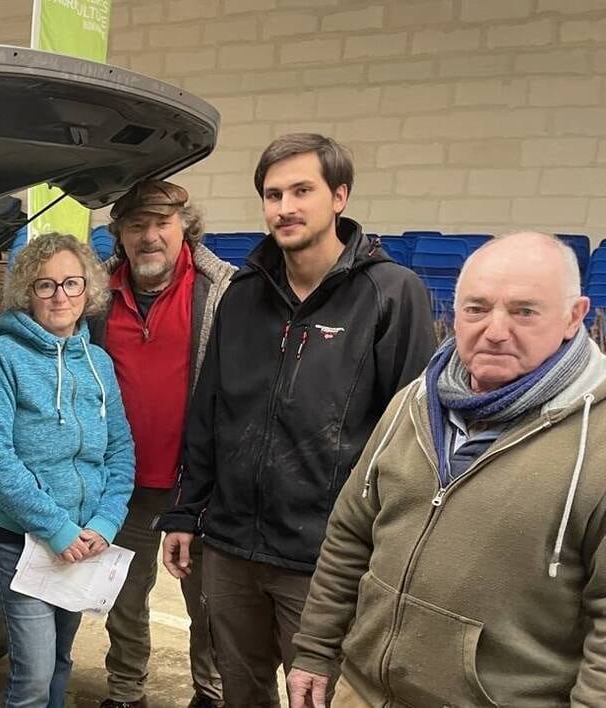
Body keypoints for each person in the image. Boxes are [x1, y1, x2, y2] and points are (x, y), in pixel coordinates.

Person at [157, 133, 435, 707]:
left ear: (339, 196)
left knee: (321, 698)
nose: (284, 207)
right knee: (242, 692)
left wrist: (385, 547)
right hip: (231, 549)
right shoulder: (242, 294)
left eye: (301, 191)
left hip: (324, 561)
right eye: (272, 194)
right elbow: (209, 410)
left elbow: (413, 436)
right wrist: (186, 509)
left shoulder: (389, 295)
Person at [288, 232, 606, 707]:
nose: (496, 330)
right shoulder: (414, 403)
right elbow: (349, 539)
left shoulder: (605, 438)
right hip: (362, 692)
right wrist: (316, 652)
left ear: (573, 316)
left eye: (524, 311)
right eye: (476, 309)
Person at [0, 232, 135, 708]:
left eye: (71, 283)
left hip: (84, 541)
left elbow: (120, 450)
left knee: (62, 659)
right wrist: (56, 528)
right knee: (34, 676)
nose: (60, 296)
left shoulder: (98, 363)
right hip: (25, 541)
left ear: (88, 291)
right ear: (28, 292)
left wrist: (104, 522)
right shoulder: (1, 358)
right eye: (45, 285)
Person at [89, 179, 234, 708]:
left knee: (209, 603)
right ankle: (126, 692)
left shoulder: (222, 292)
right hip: (121, 484)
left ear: (184, 228)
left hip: (198, 486)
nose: (150, 236)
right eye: (136, 225)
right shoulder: (95, 297)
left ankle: (211, 694)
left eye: (162, 223)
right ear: (120, 236)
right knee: (125, 599)